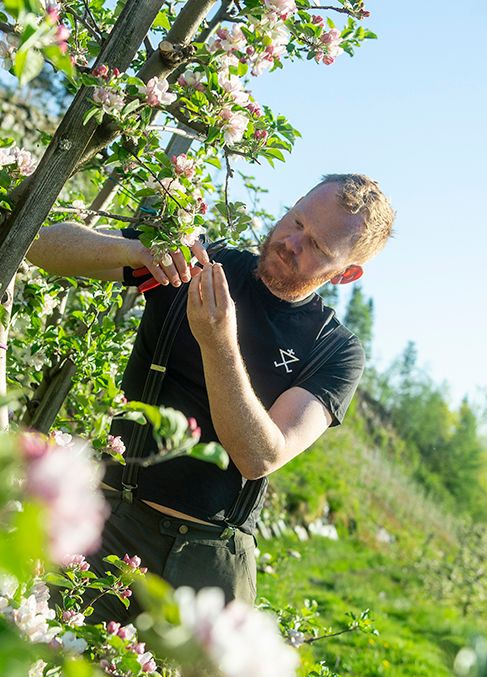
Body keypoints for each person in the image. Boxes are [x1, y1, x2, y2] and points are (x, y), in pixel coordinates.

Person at [26, 173, 395, 622]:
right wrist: (136, 252)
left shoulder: (334, 349)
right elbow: (40, 245)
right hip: (110, 526)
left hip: (209, 563)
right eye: (296, 220)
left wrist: (218, 343)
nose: (291, 242)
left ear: (347, 273)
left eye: (317, 245)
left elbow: (259, 456)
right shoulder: (203, 261)